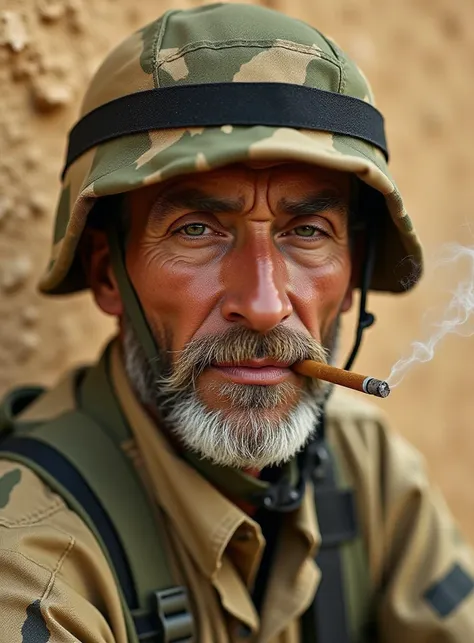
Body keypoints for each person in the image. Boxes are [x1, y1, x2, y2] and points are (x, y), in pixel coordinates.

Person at [0, 3, 473, 642]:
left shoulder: (363, 468)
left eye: (307, 231)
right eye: (196, 230)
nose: (264, 302)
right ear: (109, 274)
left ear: (353, 270)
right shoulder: (31, 565)